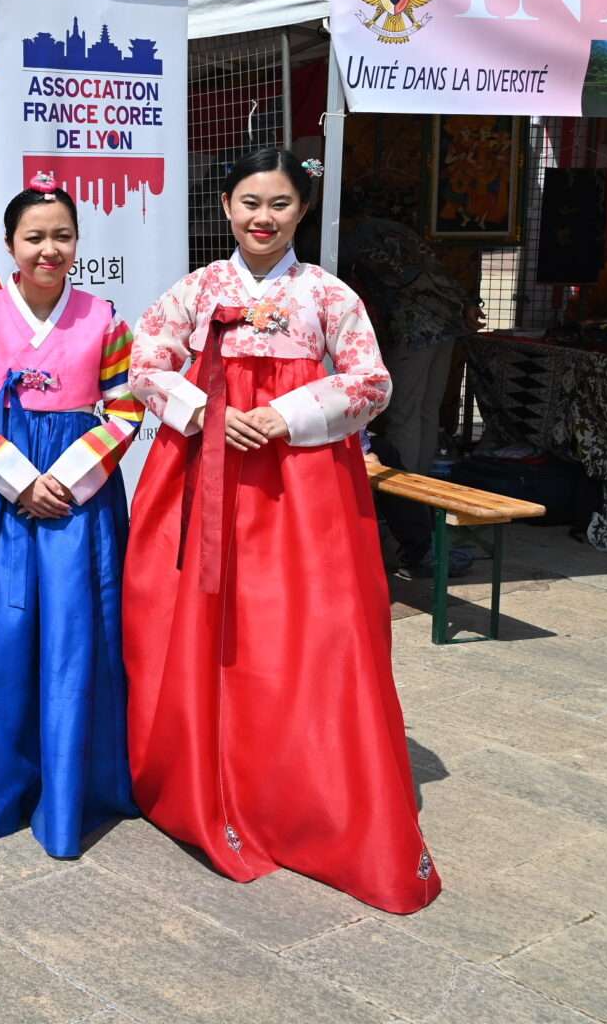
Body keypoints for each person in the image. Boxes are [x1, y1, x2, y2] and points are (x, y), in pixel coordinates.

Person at [122, 147, 440, 914]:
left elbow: (371, 382)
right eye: (248, 203)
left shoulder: (329, 295)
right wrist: (205, 411)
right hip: (207, 475)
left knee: (311, 631)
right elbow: (144, 362)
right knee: (201, 624)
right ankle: (204, 767)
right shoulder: (197, 290)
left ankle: (304, 787)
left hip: (300, 490)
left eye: (279, 205)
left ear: (301, 210)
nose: (262, 219)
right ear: (226, 207)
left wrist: (285, 416)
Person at [0, 175, 142, 854]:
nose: (49, 250)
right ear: (9, 245)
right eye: (34, 237)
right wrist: (18, 479)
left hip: (78, 498)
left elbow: (127, 408)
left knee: (75, 640)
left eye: (62, 236)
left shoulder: (105, 319)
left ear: (77, 242)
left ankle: (75, 787)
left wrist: (70, 479)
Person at [340, 211, 483, 575]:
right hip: (443, 321)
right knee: (425, 410)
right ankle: (419, 491)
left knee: (406, 412)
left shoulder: (361, 237)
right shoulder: (399, 231)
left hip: (416, 325)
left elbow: (402, 279)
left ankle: (410, 492)